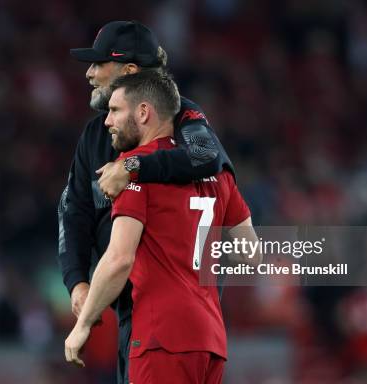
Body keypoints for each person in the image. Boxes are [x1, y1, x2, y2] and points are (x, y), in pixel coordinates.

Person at [58, 20, 236, 383]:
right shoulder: (94, 135)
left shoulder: (182, 117)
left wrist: (134, 166)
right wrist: (77, 281)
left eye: (99, 63)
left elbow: (206, 156)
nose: (90, 73)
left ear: (129, 71)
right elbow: (72, 210)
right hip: (155, 318)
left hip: (159, 316)